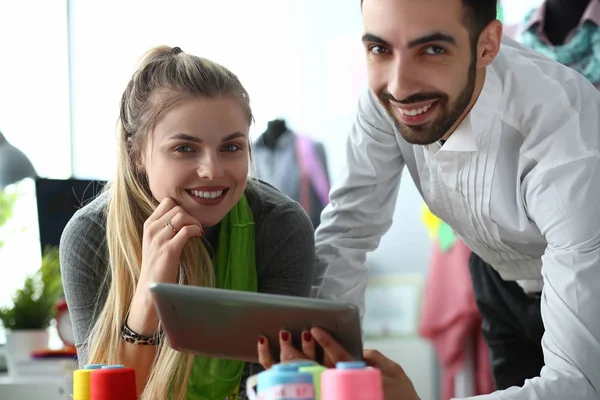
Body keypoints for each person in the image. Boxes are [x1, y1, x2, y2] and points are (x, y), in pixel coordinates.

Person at [260, 0, 600, 398]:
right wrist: (322, 351)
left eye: (433, 50)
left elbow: (579, 384)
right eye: (380, 49)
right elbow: (349, 230)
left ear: (487, 45)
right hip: (499, 280)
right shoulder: (383, 98)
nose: (400, 87)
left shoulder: (566, 135)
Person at [59, 45, 315, 400]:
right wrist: (150, 289)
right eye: (184, 148)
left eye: (231, 148)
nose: (212, 171)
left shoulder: (280, 227)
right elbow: (105, 394)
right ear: (137, 155)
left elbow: (268, 387)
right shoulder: (90, 237)